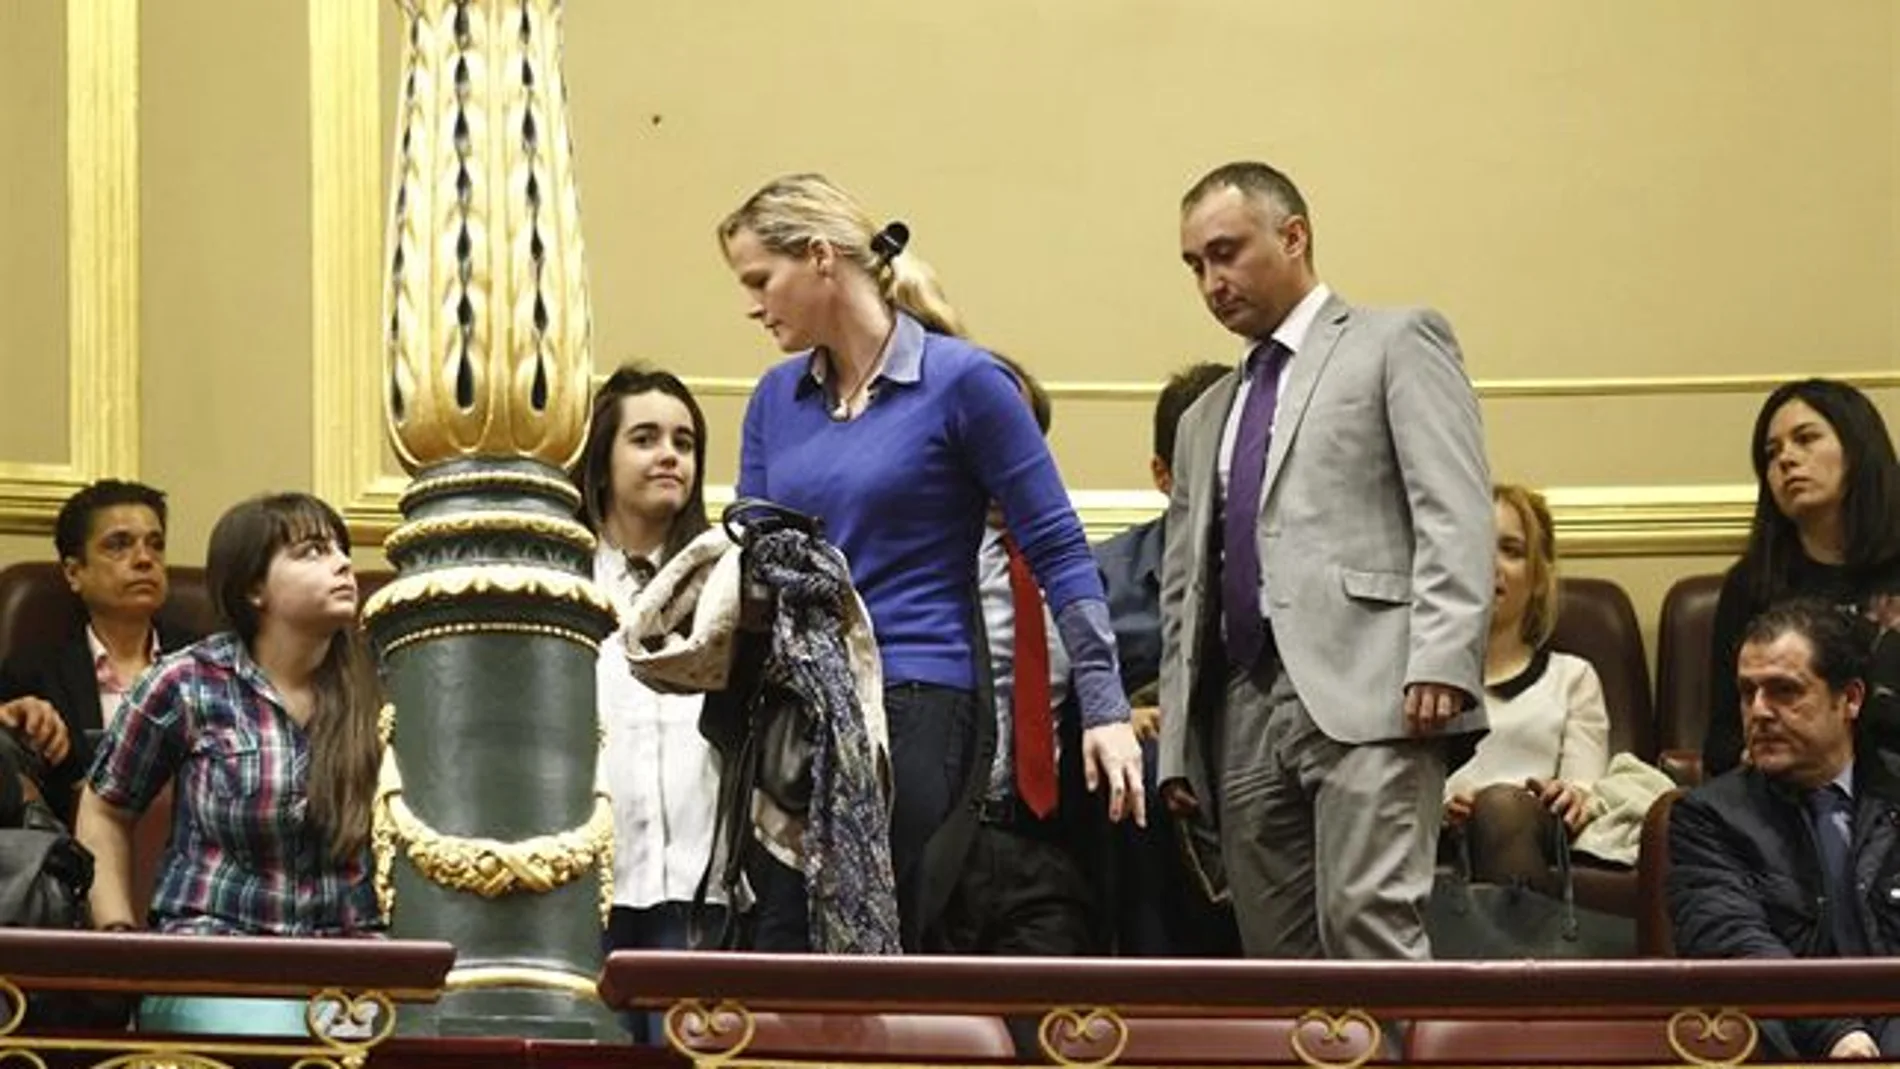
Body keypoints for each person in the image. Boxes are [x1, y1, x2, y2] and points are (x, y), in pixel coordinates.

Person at [719, 173, 1142, 951]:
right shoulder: (775, 398)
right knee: (777, 943)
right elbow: (755, 551)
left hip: (919, 697)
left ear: (819, 257)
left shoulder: (964, 381)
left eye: (758, 279)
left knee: (888, 943)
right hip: (798, 709)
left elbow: (1058, 546)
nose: (750, 303)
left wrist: (1107, 710)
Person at [1157, 161, 1493, 961]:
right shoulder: (1206, 414)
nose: (1211, 281)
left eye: (1227, 252)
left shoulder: (1394, 340)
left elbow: (1454, 505)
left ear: (1294, 236)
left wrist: (1442, 654)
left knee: (1366, 929)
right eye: (1195, 265)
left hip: (1375, 681)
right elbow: (1183, 590)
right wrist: (1176, 739)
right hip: (1241, 705)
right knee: (1275, 964)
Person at [75, 493, 381, 1034]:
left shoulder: (382, 687)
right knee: (280, 1038)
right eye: (312, 551)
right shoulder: (187, 682)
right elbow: (104, 808)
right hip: (213, 958)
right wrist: (119, 937)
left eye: (341, 549)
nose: (342, 563)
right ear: (253, 588)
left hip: (350, 965)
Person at [1669, 599, 1900, 1060]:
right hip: (1791, 1048)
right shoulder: (1708, 817)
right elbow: (1735, 946)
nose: (1759, 712)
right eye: (1747, 692)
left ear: (1850, 699)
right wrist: (1837, 1034)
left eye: (1784, 691)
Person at [570, 366, 724, 1042]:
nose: (670, 454)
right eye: (646, 437)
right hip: (587, 877)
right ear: (601, 462)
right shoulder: (555, 579)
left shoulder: (725, 580)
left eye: (685, 442)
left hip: (699, 880)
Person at [1094, 361, 1239, 957]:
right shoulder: (1104, 575)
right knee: (1143, 767)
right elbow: (1052, 695)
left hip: (1257, 753)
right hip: (1140, 788)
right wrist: (1113, 716)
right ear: (1162, 474)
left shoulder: (1294, 573)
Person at [1701, 379, 1900, 778]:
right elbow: (1722, 743)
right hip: (1789, 801)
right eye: (1771, 453)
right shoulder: (1751, 586)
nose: (1786, 460)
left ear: (1859, 450)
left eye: (1806, 439)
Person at [1442, 485, 1609, 888]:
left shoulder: (1573, 678)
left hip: (1539, 833)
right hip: (1443, 837)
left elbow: (1584, 790)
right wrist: (1443, 807)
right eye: (1476, 547)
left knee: (1501, 806)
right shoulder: (1427, 682)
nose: (1491, 565)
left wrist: (1567, 795)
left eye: (1511, 551)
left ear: (1537, 578)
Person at [0, 480, 197, 822]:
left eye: (155, 544)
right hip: (78, 859)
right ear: (74, 573)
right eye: (119, 545)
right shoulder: (33, 674)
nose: (144, 559)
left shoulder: (206, 663)